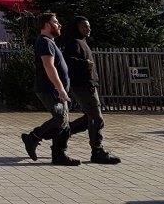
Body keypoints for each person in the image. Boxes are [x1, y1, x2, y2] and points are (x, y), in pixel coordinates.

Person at [22, 12, 79, 166]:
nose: (59, 24)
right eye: (55, 21)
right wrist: (60, 88)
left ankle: (59, 154)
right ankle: (33, 137)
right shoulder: (45, 42)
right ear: (47, 25)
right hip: (49, 89)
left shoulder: (49, 41)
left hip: (54, 89)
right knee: (60, 119)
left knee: (64, 123)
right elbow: (49, 66)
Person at [61, 16, 120, 164]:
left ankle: (60, 134)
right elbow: (67, 61)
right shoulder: (73, 42)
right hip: (82, 85)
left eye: (89, 26)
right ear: (77, 27)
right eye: (84, 26)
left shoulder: (82, 41)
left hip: (89, 84)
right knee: (96, 118)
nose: (88, 29)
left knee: (89, 118)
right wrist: (84, 63)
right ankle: (97, 151)